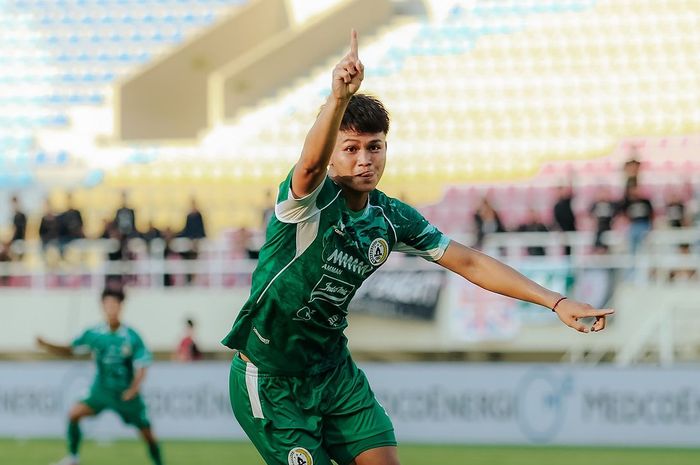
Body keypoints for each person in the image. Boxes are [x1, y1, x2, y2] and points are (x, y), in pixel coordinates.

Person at [221, 30, 613, 465]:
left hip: (332, 372)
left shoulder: (390, 218)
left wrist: (554, 301)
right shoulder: (305, 202)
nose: (365, 159)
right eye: (350, 149)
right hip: (271, 377)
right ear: (333, 155)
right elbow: (310, 163)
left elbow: (467, 261)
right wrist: (336, 98)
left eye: (375, 147)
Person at [36, 288, 164, 465]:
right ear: (102, 306)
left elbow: (143, 365)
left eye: (115, 304)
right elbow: (70, 350)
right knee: (73, 414)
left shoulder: (132, 336)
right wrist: (47, 345)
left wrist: (133, 389)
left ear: (121, 307)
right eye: (108, 304)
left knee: (148, 434)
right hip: (101, 391)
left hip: (125, 394)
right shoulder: (94, 333)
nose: (111, 308)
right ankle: (73, 458)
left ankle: (159, 462)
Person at [619, 184, 654, 254]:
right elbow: (623, 213)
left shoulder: (645, 201)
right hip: (634, 224)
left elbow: (651, 214)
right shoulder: (628, 202)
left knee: (643, 241)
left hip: (644, 223)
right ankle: (633, 258)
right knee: (632, 238)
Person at [588, 186, 617, 252]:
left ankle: (604, 249)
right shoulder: (595, 204)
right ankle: (599, 249)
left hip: (608, 225)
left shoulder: (612, 204)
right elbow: (591, 215)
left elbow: (616, 215)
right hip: (599, 226)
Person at [552, 185, 577, 255]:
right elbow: (556, 221)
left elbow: (572, 193)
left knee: (572, 249)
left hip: (571, 229)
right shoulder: (556, 206)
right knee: (566, 250)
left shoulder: (567, 202)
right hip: (563, 231)